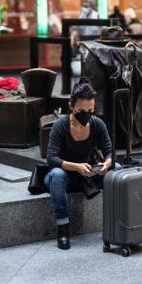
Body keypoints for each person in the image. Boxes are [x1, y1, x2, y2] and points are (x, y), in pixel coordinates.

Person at [45, 78, 114, 250]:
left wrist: (106, 164)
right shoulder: (60, 125)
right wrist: (77, 167)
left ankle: (116, 222)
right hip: (64, 174)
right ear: (71, 106)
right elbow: (51, 158)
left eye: (91, 110)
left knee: (117, 170)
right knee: (57, 175)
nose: (87, 114)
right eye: (82, 110)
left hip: (88, 174)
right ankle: (63, 228)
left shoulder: (97, 124)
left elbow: (110, 151)